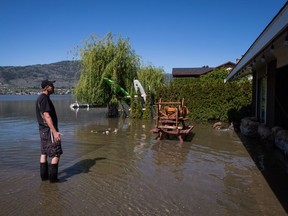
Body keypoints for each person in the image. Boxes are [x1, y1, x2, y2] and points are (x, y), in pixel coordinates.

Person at [36, 79, 63, 183]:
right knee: (57, 153)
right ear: (46, 87)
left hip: (42, 130)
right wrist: (55, 132)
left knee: (44, 152)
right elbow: (47, 116)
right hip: (48, 130)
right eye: (51, 85)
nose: (53, 87)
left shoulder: (40, 98)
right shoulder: (44, 99)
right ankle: (53, 180)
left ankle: (44, 178)